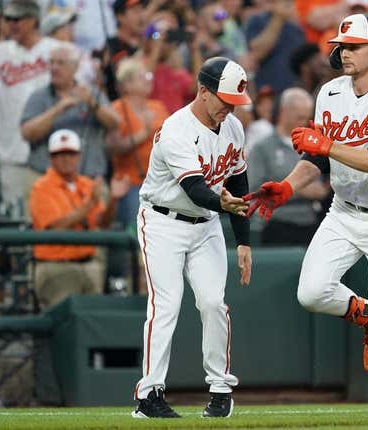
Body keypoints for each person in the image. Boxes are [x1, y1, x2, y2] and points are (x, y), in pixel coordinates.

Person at [244, 14, 368, 418]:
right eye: (341, 45)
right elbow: (317, 159)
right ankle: (363, 316)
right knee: (311, 292)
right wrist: (288, 186)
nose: (344, 52)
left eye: (354, 45)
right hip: (343, 210)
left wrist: (326, 147)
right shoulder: (329, 93)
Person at [132, 57, 252, 419]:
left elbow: (238, 181)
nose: (229, 108)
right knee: (166, 305)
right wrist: (223, 203)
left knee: (213, 303)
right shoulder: (175, 130)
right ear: (203, 91)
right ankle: (149, 395)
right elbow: (196, 188)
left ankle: (220, 390)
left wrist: (243, 241)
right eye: (224, 100)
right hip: (163, 221)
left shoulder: (232, 127)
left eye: (234, 102)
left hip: (207, 224)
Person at [0, 0, 59, 218]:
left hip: (56, 157)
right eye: (8, 19)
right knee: (21, 226)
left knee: (55, 221)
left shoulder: (57, 50)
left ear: (34, 19)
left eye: (18, 19)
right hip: (12, 157)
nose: (12, 24)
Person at [29, 129, 129, 308]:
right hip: (57, 269)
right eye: (59, 154)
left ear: (79, 156)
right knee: (63, 326)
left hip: (89, 265)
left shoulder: (87, 184)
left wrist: (113, 199)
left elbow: (102, 223)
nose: (66, 158)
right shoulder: (41, 188)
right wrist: (89, 205)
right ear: (51, 158)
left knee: (92, 325)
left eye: (70, 153)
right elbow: (57, 227)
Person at [21, 43, 119, 184]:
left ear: (75, 67)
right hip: (47, 180)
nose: (54, 68)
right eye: (52, 62)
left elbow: (115, 123)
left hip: (88, 179)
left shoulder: (91, 93)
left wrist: (93, 104)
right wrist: (58, 109)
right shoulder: (39, 97)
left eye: (61, 63)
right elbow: (27, 133)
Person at [248, 87, 330, 245]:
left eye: (306, 117)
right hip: (277, 223)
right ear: (283, 112)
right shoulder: (263, 147)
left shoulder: (313, 146)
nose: (304, 122)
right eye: (299, 117)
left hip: (312, 220)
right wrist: (296, 190)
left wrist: (324, 189)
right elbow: (253, 191)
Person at [108, 59, 169, 231]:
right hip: (132, 183)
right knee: (138, 231)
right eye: (142, 77)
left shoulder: (158, 106)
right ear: (126, 84)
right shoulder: (117, 109)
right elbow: (113, 146)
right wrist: (143, 133)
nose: (148, 80)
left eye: (149, 75)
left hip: (161, 182)